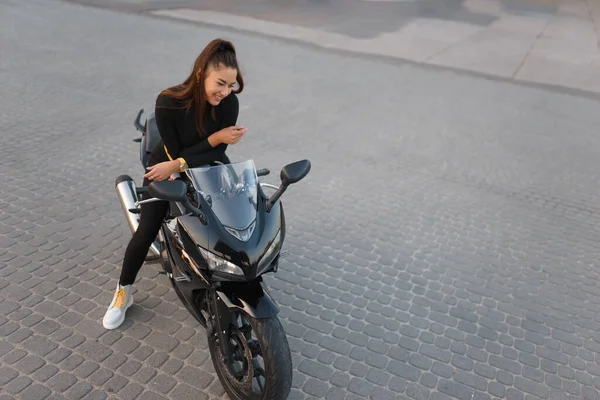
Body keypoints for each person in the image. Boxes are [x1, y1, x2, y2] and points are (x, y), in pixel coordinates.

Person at [103, 38, 247, 330]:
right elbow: (175, 150)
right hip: (163, 166)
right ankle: (123, 292)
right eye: (220, 83)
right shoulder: (168, 101)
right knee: (145, 232)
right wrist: (210, 143)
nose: (225, 92)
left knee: (234, 213)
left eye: (231, 85)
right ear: (200, 74)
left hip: (202, 165)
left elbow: (217, 153)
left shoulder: (229, 103)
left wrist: (206, 148)